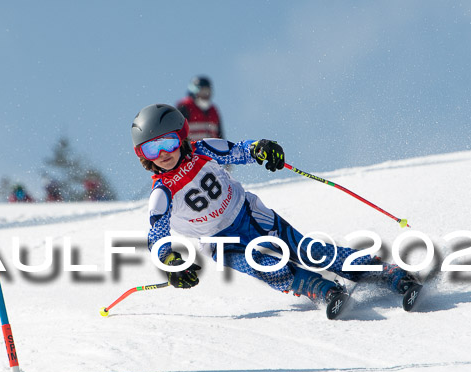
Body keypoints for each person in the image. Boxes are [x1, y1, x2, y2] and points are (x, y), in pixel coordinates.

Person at [131, 104, 420, 319]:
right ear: (143, 156)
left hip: (249, 214)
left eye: (167, 142)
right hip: (219, 242)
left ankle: (389, 274)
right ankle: (321, 290)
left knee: (308, 250)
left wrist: (261, 149)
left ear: (181, 138)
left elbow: (240, 150)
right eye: (151, 149)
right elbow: (157, 235)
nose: (163, 154)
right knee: (268, 267)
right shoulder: (162, 193)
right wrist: (170, 261)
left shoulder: (203, 149)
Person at [176, 76, 223, 141]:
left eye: (208, 92)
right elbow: (177, 133)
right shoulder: (185, 107)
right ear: (194, 91)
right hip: (192, 149)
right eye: (202, 92)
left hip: (211, 149)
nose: (205, 95)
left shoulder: (213, 110)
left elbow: (220, 135)